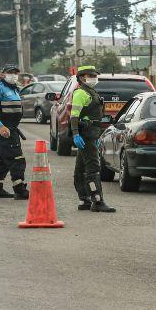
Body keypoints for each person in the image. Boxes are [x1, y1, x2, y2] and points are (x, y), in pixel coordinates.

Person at [70, 65, 116, 213]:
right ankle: (97, 200)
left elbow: (98, 116)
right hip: (86, 134)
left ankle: (84, 199)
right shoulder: (81, 93)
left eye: (95, 75)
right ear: (82, 78)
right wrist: (76, 133)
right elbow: (74, 116)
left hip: (92, 133)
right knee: (93, 169)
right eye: (91, 76)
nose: (94, 78)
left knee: (81, 168)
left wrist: (99, 134)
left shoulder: (91, 92)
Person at [0, 65, 29, 200]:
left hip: (12, 128)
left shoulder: (14, 88)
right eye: (10, 73)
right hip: (5, 129)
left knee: (2, 158)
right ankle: (20, 189)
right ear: (3, 74)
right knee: (17, 158)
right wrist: (1, 127)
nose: (14, 75)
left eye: (16, 73)